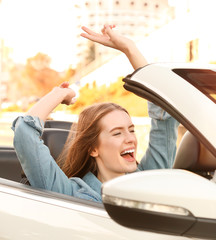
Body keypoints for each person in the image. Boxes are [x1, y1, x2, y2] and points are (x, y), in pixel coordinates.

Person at [12, 24, 179, 202]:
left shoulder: (147, 180)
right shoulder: (71, 194)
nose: (130, 138)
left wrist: (129, 48)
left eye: (131, 130)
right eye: (117, 133)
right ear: (93, 149)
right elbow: (25, 133)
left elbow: (165, 114)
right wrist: (60, 93)